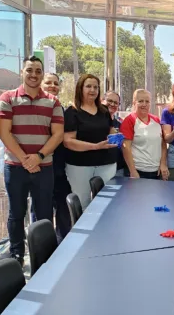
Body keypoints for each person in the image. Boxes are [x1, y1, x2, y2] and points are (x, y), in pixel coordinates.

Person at [0, 56, 64, 263]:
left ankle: (43, 255)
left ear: (42, 74)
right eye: (30, 70)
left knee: (44, 214)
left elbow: (58, 134)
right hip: (15, 167)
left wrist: (39, 157)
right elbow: (4, 132)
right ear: (22, 72)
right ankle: (17, 253)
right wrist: (25, 159)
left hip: (44, 167)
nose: (34, 75)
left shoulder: (53, 102)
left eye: (38, 71)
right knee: (16, 212)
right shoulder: (7, 98)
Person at [63, 74, 118, 206]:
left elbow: (110, 130)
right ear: (80, 88)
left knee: (107, 203)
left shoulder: (104, 111)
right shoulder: (72, 112)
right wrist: (95, 146)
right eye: (88, 86)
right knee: (83, 202)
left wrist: (117, 136)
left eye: (96, 87)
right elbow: (68, 141)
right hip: (80, 165)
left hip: (107, 163)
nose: (92, 90)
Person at [42, 72, 72, 241]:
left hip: (60, 168)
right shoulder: (34, 108)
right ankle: (43, 246)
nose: (52, 86)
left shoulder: (61, 109)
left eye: (55, 83)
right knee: (42, 211)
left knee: (63, 209)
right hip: (40, 166)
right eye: (48, 83)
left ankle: (63, 243)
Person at [121, 89, 168, 180]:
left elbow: (163, 145)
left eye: (147, 101)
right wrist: (133, 171)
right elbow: (126, 148)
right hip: (138, 172)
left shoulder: (156, 120)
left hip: (156, 172)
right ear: (134, 103)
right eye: (141, 101)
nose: (144, 104)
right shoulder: (129, 120)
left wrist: (163, 164)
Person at [104, 91, 127, 176]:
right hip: (99, 166)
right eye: (109, 101)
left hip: (118, 168)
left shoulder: (120, 123)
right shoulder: (94, 121)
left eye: (116, 103)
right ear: (103, 101)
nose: (112, 104)